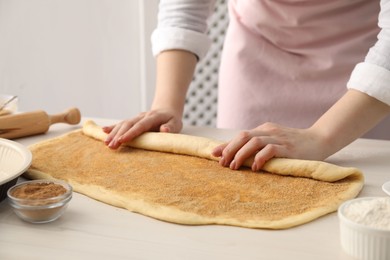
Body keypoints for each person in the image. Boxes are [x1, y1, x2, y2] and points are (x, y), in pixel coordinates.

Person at [103, 0, 390, 171]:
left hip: (367, 79)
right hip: (257, 57)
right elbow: (186, 7)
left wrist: (323, 137)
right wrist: (166, 104)